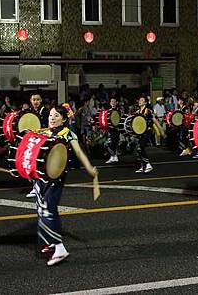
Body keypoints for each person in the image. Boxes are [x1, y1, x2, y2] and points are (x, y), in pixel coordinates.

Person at [35, 105, 98, 266]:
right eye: (50, 115)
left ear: (63, 119)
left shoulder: (68, 133)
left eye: (56, 116)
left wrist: (90, 168)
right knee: (43, 208)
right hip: (41, 176)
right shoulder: (44, 131)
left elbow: (78, 152)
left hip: (56, 176)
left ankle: (59, 247)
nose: (52, 118)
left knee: (48, 208)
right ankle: (49, 241)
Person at [134, 96, 165, 173]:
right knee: (138, 149)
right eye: (139, 100)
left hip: (147, 132)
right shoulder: (138, 112)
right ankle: (142, 166)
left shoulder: (148, 111)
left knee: (141, 146)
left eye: (142, 100)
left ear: (145, 102)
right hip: (140, 133)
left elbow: (155, 121)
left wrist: (162, 132)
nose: (140, 101)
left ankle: (148, 165)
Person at [104, 97, 122, 163]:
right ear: (110, 103)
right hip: (110, 129)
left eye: (114, 101)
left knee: (113, 143)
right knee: (110, 144)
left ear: (116, 102)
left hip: (116, 130)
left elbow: (119, 120)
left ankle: (114, 156)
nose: (113, 103)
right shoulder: (108, 111)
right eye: (112, 101)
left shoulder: (118, 110)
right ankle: (113, 156)